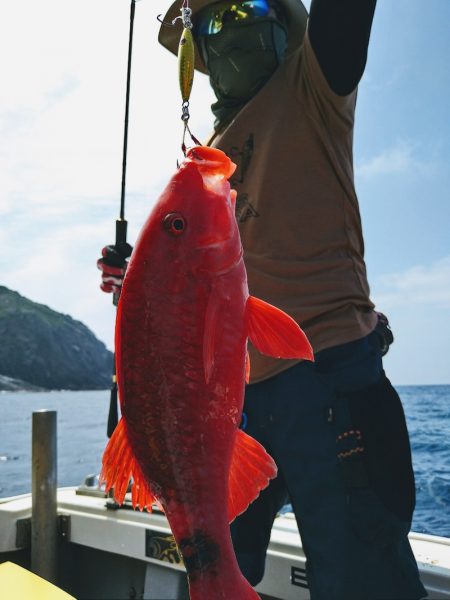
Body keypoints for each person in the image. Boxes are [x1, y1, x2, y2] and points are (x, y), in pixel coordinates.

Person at [98, 1, 427, 598]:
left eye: (247, 8)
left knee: (363, 581)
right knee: (218, 563)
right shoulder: (211, 153)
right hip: (232, 406)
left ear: (282, 19)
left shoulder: (314, 85)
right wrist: (144, 279)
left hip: (330, 387)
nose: (232, 28)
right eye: (213, 22)